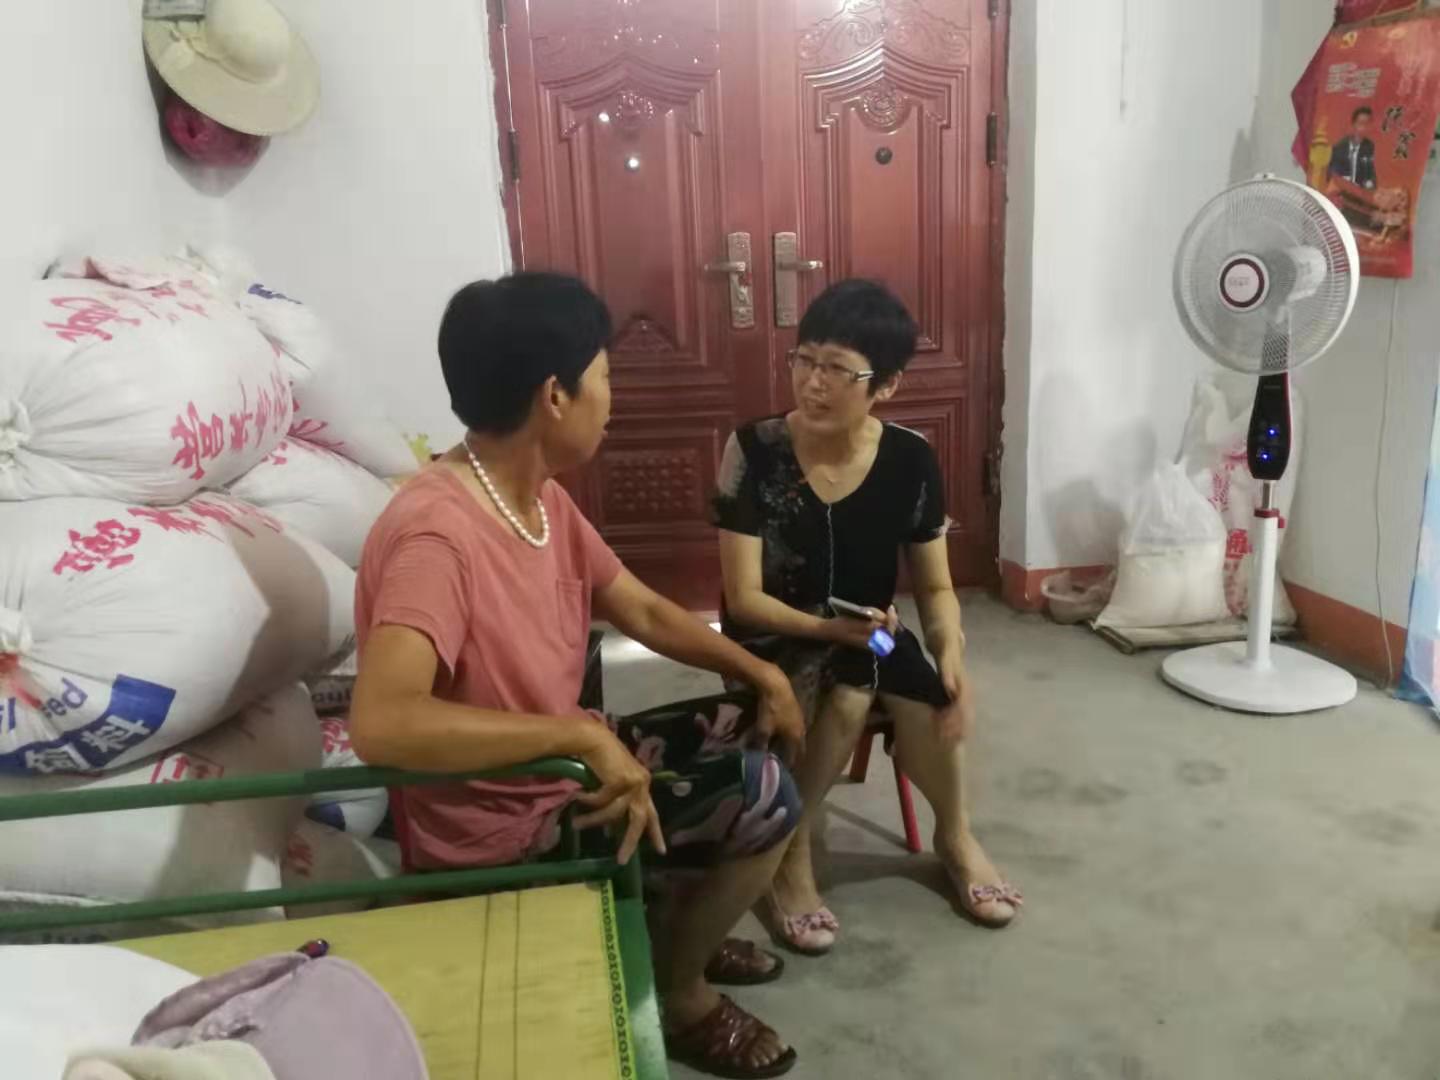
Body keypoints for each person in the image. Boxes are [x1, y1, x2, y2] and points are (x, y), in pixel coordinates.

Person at [350, 272, 808, 1079]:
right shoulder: (437, 536)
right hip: (499, 835)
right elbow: (384, 723)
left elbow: (642, 609)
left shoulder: (539, 502)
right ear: (555, 395)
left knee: (754, 720)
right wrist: (575, 736)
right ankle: (680, 994)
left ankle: (679, 929)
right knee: (762, 791)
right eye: (604, 377)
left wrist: (760, 672)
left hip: (557, 774)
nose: (611, 400)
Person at [713, 279, 1022, 954]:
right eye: (804, 360)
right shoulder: (754, 451)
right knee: (852, 689)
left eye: (837, 369)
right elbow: (742, 598)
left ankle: (955, 836)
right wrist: (826, 629)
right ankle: (793, 851)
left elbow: (935, 587)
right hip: (774, 634)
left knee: (927, 689)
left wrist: (952, 656)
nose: (813, 383)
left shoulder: (910, 459)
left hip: (870, 628)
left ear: (885, 386)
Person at [1328, 106, 1377, 190]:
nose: (1364, 127)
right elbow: (1332, 174)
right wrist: (1345, 182)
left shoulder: (1368, 146)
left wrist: (1369, 183)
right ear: (1354, 124)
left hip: (1359, 192)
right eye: (1361, 123)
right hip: (1341, 190)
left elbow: (1370, 173)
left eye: (1367, 124)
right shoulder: (1340, 147)